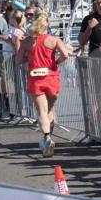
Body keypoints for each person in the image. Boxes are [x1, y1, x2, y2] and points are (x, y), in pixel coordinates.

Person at [17, 12, 72, 158]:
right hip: (51, 76)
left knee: (42, 111)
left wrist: (29, 58)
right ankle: (48, 138)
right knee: (50, 109)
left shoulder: (27, 41)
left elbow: (18, 60)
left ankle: (47, 137)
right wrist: (55, 62)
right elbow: (65, 55)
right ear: (47, 24)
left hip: (36, 77)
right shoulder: (54, 40)